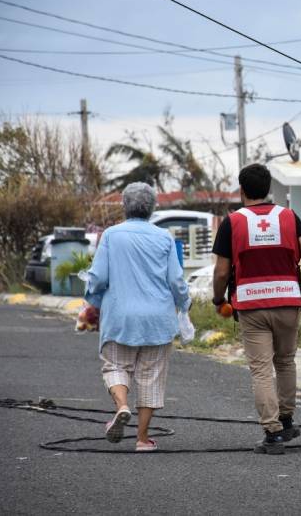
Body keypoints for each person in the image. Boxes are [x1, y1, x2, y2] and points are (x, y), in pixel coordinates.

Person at [211, 163, 301, 455]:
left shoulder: (233, 222)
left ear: (242, 191)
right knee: (285, 361)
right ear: (269, 189)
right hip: (288, 301)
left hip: (251, 305)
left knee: (261, 370)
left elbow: (222, 271)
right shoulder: (289, 217)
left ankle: (272, 433)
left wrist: (218, 300)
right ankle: (286, 420)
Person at [85, 182, 191, 452]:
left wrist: (92, 301)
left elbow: (97, 277)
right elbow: (176, 280)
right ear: (153, 207)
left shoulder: (111, 235)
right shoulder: (164, 237)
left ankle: (121, 407)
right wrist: (184, 306)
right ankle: (142, 439)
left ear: (124, 205)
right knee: (151, 378)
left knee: (116, 366)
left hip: (120, 317)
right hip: (158, 319)